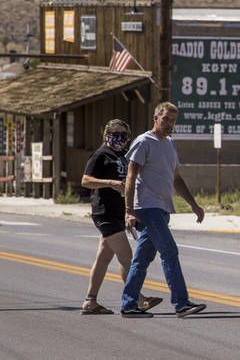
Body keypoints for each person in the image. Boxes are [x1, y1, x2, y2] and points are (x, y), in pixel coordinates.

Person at [119, 102, 208, 318]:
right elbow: (131, 176)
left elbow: (176, 179)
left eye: (173, 120)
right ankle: (181, 303)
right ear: (155, 118)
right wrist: (128, 210)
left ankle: (129, 304)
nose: (169, 123)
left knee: (142, 260)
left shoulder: (169, 143)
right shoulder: (143, 142)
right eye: (166, 119)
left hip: (162, 208)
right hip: (147, 208)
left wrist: (193, 205)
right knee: (170, 252)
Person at [79, 119, 162, 315]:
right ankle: (139, 299)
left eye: (123, 134)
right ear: (106, 134)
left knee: (103, 258)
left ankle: (90, 301)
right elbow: (85, 180)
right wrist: (109, 182)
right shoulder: (101, 154)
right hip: (104, 211)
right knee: (127, 258)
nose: (119, 138)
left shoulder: (125, 155)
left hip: (119, 211)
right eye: (115, 133)